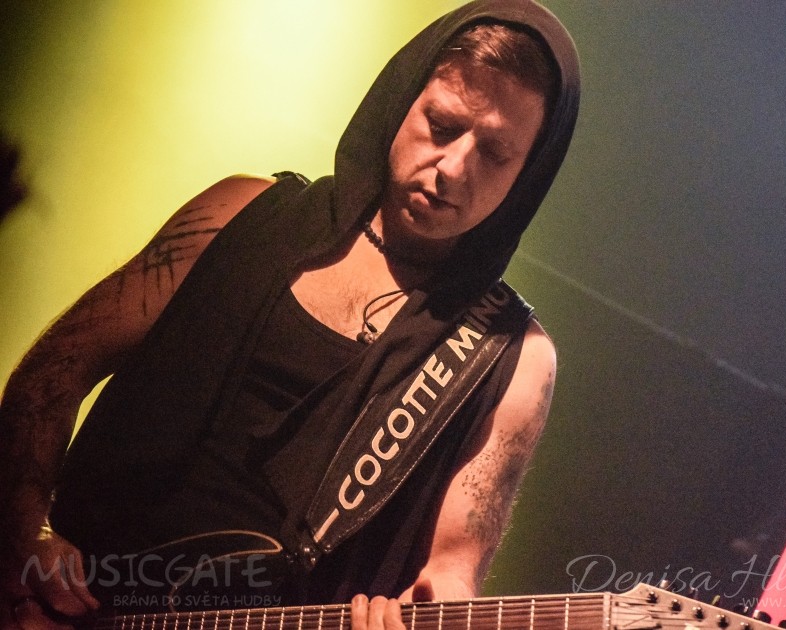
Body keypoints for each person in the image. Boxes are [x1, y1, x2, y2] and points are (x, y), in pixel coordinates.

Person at [0, 1, 580, 629]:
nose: (454, 168)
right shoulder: (234, 215)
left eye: (495, 154)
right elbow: (54, 371)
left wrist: (432, 613)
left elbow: (452, 573)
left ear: (529, 175)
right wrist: (26, 532)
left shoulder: (511, 357)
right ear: (400, 101)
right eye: (441, 125)